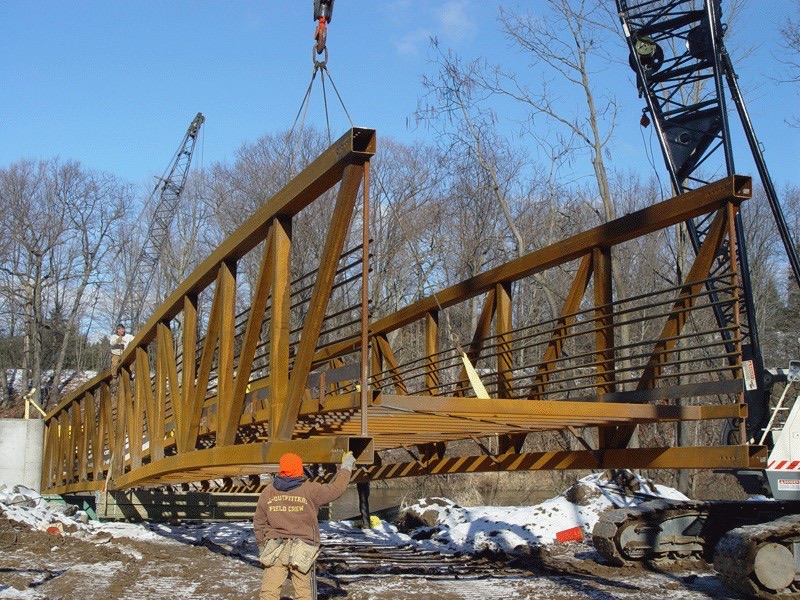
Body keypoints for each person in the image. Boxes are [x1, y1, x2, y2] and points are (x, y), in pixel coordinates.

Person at [253, 451, 356, 600]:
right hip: (302, 547)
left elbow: (259, 521)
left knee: (269, 592)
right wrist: (346, 466)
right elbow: (336, 489)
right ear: (299, 469)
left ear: (281, 469)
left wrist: (262, 547)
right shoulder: (310, 489)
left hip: (275, 547)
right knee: (303, 593)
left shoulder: (268, 491)